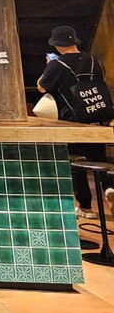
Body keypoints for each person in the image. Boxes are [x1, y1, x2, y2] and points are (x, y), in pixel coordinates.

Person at [37, 25, 110, 219]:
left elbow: (42, 87)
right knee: (100, 158)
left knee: (77, 164)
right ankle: (109, 189)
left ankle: (85, 207)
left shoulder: (56, 64)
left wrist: (48, 65)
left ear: (57, 45)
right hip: (97, 116)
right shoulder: (95, 61)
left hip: (72, 120)